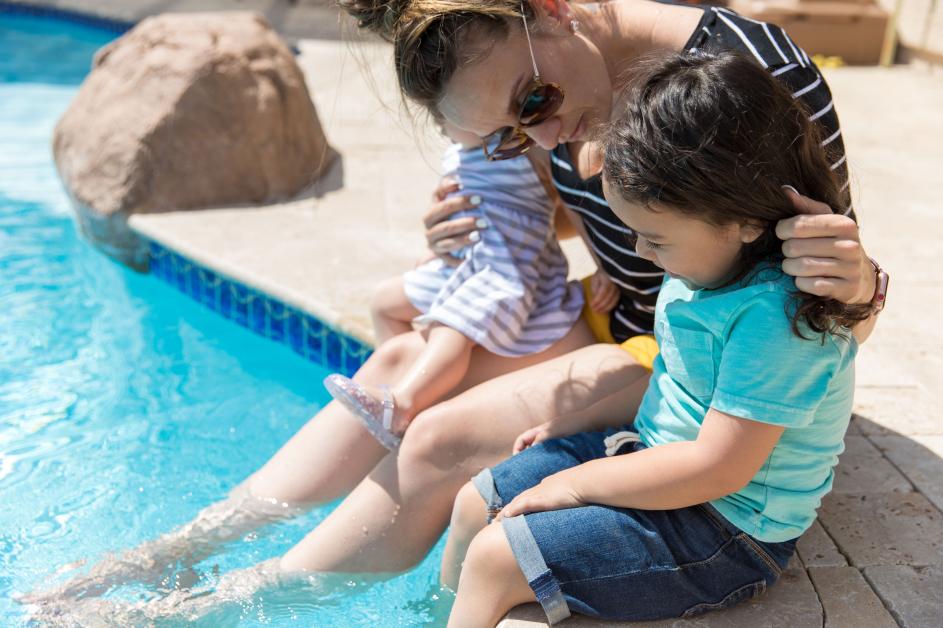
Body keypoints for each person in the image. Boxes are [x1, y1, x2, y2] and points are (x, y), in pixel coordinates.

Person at [25, 0, 884, 618]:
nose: (544, 142)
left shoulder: (746, 71)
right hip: (635, 323)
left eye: (532, 107)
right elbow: (581, 220)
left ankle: (247, 598)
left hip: (690, 356)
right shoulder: (548, 101)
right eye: (508, 138)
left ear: (551, 11)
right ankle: (186, 550)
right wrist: (478, 224)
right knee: (400, 362)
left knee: (437, 438)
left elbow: (813, 293)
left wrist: (859, 284)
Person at [443, 49, 866, 627]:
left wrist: (574, 486)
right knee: (474, 504)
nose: (642, 254)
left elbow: (720, 468)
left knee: (498, 556)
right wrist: (580, 422)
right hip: (659, 459)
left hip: (727, 529)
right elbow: (673, 380)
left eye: (656, 240)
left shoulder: (778, 321)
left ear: (743, 220)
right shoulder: (703, 269)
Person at [323, 120, 586, 449]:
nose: (436, 119)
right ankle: (406, 393)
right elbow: (457, 205)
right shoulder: (459, 151)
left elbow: (575, 206)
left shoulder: (526, 149)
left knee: (452, 328)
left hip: (506, 270)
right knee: (385, 302)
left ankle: (405, 402)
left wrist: (601, 263)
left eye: (446, 110)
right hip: (466, 262)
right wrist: (434, 249)